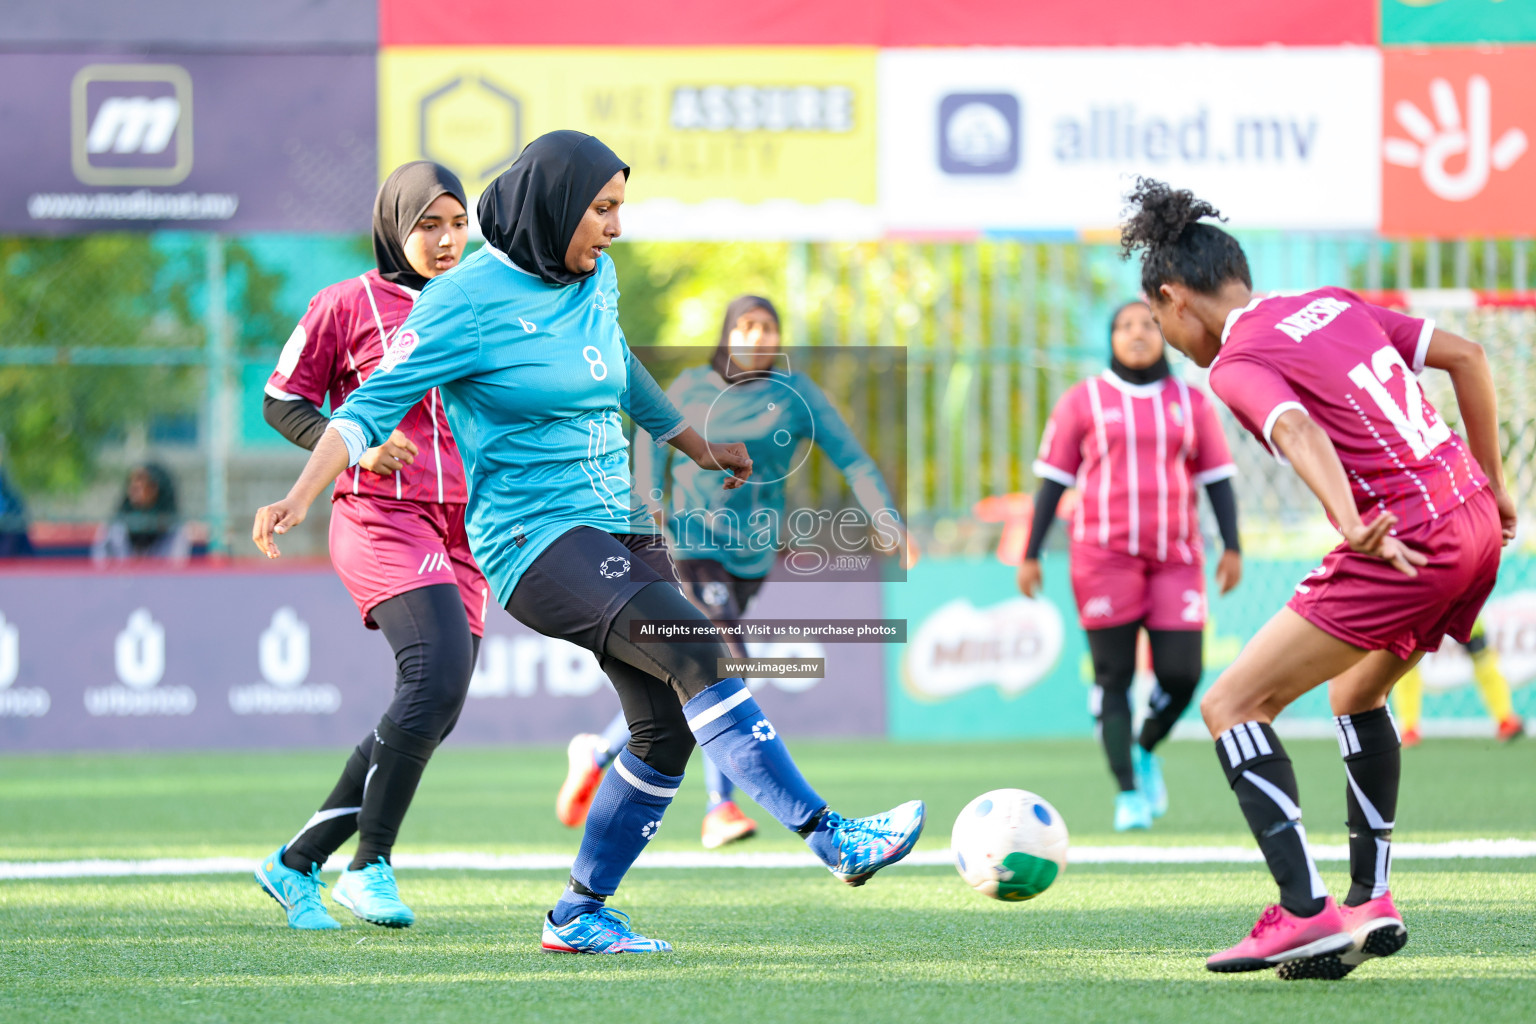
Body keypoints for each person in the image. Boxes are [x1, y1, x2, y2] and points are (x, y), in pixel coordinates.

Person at [251, 130, 924, 955]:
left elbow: (619, 367)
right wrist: (297, 495)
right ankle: (832, 837)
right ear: (555, 206)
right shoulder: (462, 300)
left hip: (623, 525)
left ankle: (578, 914)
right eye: (601, 210)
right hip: (535, 539)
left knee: (665, 728)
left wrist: (696, 444)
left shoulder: (593, 277)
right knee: (696, 648)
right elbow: (366, 408)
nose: (614, 228)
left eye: (619, 209)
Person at [1120, 178, 1513, 979]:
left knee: (1232, 704)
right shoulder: (1331, 302)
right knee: (1357, 695)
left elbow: (1292, 426)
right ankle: (1370, 900)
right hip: (1473, 521)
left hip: (1405, 539)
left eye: (1159, 320)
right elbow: (1468, 358)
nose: (1166, 336)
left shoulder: (1234, 360)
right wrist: (1496, 484)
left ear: (1173, 298)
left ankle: (1304, 913)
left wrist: (1345, 514)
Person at [556, 294, 910, 850]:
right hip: (688, 545)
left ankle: (598, 751)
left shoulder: (796, 398)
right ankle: (720, 807)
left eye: (768, 327)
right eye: (746, 326)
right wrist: (648, 500)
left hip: (751, 557)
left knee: (688, 675)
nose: (757, 337)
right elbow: (650, 436)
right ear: (727, 332)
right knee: (721, 663)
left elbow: (853, 459)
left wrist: (887, 521)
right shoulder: (692, 386)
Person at [252, 161, 487, 932]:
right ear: (394, 223)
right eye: (429, 224)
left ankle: (295, 863)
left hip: (469, 530)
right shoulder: (345, 303)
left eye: (457, 223)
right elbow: (283, 398)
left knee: (436, 702)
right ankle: (369, 866)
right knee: (434, 676)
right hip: (382, 519)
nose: (447, 239)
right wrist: (349, 446)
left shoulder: (486, 301)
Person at [1020, 299, 1241, 832]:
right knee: (1114, 676)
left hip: (1176, 558)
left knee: (1183, 674)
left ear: (1164, 332)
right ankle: (1127, 792)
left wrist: (1232, 545)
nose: (1138, 333)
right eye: (1125, 325)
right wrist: (1030, 552)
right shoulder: (1084, 401)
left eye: (1148, 324)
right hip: (1103, 558)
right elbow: (1054, 481)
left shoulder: (1192, 403)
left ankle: (1145, 747)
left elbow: (1215, 479)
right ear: (1111, 338)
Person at [1392, 619, 1525, 744]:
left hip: (1458, 603)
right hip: (1426, 604)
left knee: (1482, 657)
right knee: (1407, 660)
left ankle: (1504, 719)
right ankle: (1409, 727)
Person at [92, 463, 190, 562]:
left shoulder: (173, 532)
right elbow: (101, 563)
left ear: (155, 488)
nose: (134, 488)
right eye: (132, 483)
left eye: (141, 483)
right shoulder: (115, 530)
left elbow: (175, 565)